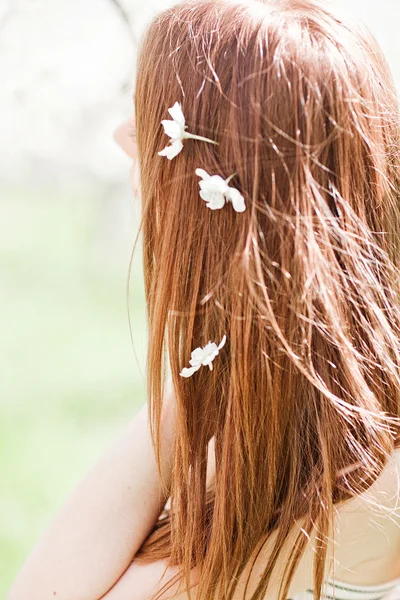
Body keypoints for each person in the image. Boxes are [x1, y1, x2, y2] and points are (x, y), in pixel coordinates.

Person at [7, 0, 400, 598]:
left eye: (150, 118)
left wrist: (193, 386)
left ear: (222, 173)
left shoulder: (316, 505)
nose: (122, 138)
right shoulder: (305, 425)